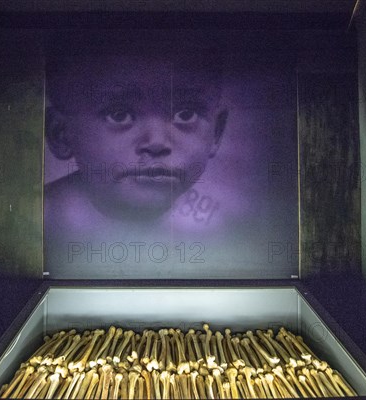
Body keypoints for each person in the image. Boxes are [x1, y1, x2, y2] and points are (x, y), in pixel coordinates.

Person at [44, 31, 229, 254]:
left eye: (185, 114)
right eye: (120, 115)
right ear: (60, 133)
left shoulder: (227, 232)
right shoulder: (36, 223)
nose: (157, 143)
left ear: (216, 133)